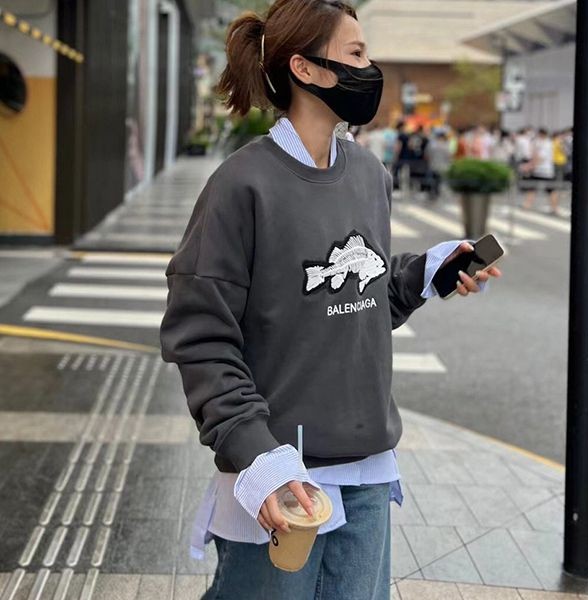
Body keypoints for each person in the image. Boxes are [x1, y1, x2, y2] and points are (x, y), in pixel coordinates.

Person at [159, 1, 502, 598]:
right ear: (306, 68)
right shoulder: (240, 185)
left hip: (368, 471)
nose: (370, 69)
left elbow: (360, 302)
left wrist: (423, 275)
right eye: (356, 54)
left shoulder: (370, 175)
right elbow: (201, 338)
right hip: (281, 479)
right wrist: (256, 453)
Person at [521, 128, 559, 214]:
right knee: (531, 188)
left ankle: (555, 208)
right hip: (538, 170)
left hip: (545, 171)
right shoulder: (541, 143)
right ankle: (527, 205)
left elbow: (541, 158)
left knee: (551, 190)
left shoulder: (547, 144)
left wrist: (529, 166)